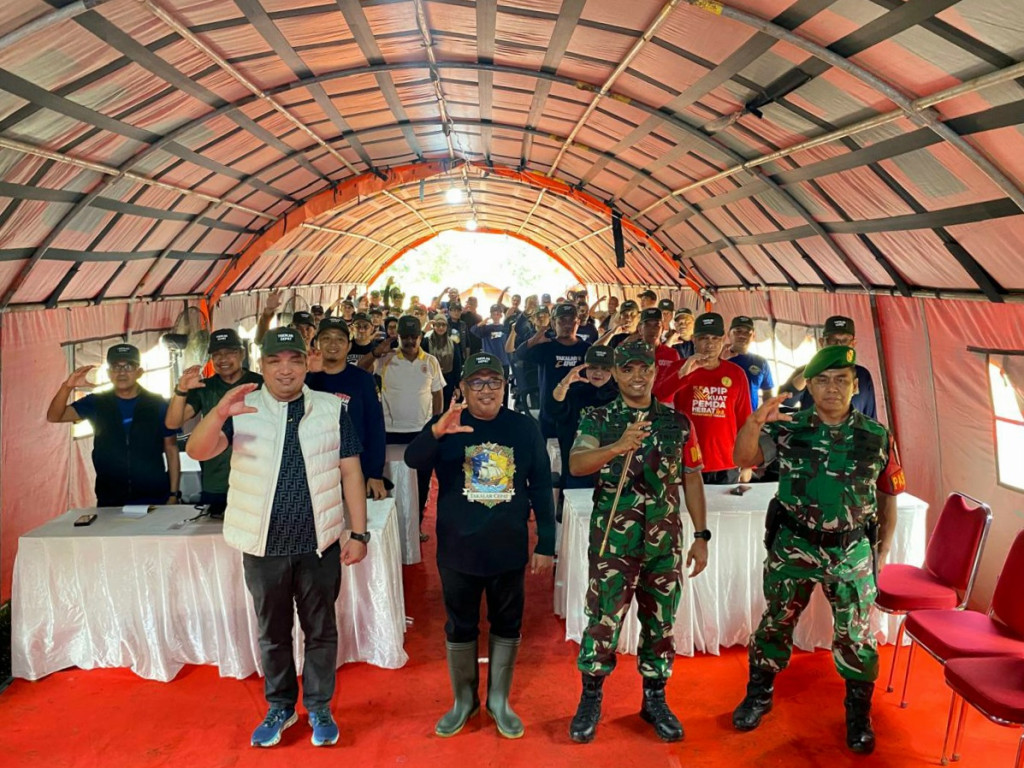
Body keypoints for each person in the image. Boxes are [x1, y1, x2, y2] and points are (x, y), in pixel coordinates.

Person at [185, 327, 369, 748]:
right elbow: (197, 451)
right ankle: (281, 706)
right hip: (262, 545)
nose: (285, 370)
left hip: (318, 543)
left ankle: (319, 706)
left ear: (307, 362)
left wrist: (358, 533)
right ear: (262, 365)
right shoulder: (241, 407)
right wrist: (219, 413)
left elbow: (351, 471)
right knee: (273, 632)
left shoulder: (331, 408)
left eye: (294, 360)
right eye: (274, 361)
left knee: (321, 630)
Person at [731, 345, 905, 754]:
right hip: (794, 547)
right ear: (809, 386)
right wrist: (755, 421)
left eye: (841, 380)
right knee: (776, 623)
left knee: (856, 636)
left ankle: (858, 714)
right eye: (822, 380)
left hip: (851, 551)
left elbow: (888, 495)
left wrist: (882, 552)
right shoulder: (789, 427)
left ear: (855, 386)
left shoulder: (876, 435)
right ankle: (759, 695)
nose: (832, 388)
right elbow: (742, 457)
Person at [405, 353, 555, 739]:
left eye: (494, 382)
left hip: (508, 547)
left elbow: (540, 484)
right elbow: (412, 460)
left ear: (504, 387)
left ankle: (498, 700)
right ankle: (464, 700)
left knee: (508, 623)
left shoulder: (524, 428)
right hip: (458, 549)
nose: (486, 390)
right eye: (477, 382)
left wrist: (547, 543)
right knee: (460, 625)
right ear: (463, 388)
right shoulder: (448, 425)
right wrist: (436, 431)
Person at [567, 341, 709, 744]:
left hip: (664, 544)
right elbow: (577, 464)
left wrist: (701, 535)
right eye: (627, 369)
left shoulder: (677, 422)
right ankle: (591, 698)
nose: (637, 376)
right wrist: (616, 446)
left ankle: (654, 699)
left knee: (660, 624)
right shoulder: (598, 418)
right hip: (614, 543)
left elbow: (692, 477)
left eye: (644, 368)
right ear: (615, 373)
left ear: (654, 371)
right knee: (603, 622)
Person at [47, 343, 181, 507]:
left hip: (154, 497)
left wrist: (174, 494)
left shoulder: (157, 404)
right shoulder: (96, 402)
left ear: (139, 372)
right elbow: (55, 416)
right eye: (116, 367)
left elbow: (171, 447)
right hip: (110, 498)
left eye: (128, 366)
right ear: (109, 373)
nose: (122, 372)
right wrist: (67, 387)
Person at [165, 329, 263, 513]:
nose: (223, 359)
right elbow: (172, 423)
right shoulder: (205, 387)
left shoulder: (261, 384)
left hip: (256, 480)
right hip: (216, 482)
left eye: (230, 353)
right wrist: (182, 389)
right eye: (217, 354)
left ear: (242, 354)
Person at [367, 315, 444, 539]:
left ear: (420, 337)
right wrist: (375, 353)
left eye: (414, 337)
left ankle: (415, 527)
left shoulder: (430, 361)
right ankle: (390, 531)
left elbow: (437, 393)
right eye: (405, 337)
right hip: (390, 433)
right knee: (389, 482)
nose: (410, 341)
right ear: (397, 337)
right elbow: (360, 371)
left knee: (421, 482)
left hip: (421, 433)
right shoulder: (385, 359)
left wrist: (435, 423)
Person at [653, 313, 752, 484]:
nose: (710, 344)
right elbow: (658, 398)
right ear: (694, 340)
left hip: (726, 462)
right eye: (703, 338)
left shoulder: (736, 374)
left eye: (715, 338)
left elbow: (745, 420)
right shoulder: (679, 368)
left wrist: (748, 462)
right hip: (686, 460)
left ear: (723, 339)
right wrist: (683, 374)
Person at [305, 317, 387, 501]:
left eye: (340, 339)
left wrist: (375, 473)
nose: (333, 344)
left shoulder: (363, 380)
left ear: (349, 346)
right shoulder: (306, 380)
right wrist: (309, 375)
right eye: (326, 338)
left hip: (356, 468)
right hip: (315, 469)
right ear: (317, 344)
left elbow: (375, 427)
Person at [516, 302, 590, 439]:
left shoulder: (586, 349)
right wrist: (535, 339)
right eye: (562, 320)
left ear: (578, 322)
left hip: (578, 415)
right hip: (550, 414)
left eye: (571, 320)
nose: (567, 325)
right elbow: (520, 354)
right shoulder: (547, 347)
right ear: (554, 323)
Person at [550, 345, 618, 491]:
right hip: (578, 468)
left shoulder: (620, 398)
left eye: (605, 368)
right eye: (593, 367)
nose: (598, 372)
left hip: (611, 470)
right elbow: (554, 410)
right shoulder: (574, 393)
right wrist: (564, 384)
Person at [782, 316, 877, 419]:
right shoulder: (808, 371)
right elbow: (786, 400)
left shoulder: (862, 375)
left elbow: (870, 416)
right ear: (822, 342)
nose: (838, 345)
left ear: (853, 344)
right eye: (832, 340)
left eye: (845, 340)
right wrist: (811, 370)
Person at [722, 316, 775, 409]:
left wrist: (768, 412)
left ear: (753, 336)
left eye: (747, 332)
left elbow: (767, 392)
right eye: (738, 331)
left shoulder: (761, 362)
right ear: (729, 334)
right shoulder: (717, 359)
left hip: (750, 416)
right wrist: (720, 361)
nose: (742, 335)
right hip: (723, 414)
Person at [635, 307, 680, 403]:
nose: (652, 330)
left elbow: (677, 383)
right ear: (640, 329)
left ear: (662, 329)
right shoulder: (631, 353)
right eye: (647, 325)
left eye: (657, 325)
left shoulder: (672, 354)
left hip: (664, 406)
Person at [423, 313, 464, 408]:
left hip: (448, 381)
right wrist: (424, 330)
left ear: (447, 326)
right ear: (433, 326)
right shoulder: (426, 342)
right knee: (430, 408)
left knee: (445, 408)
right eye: (438, 325)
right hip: (430, 381)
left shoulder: (453, 343)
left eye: (443, 325)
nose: (441, 328)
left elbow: (457, 365)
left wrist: (457, 386)